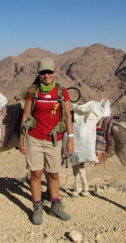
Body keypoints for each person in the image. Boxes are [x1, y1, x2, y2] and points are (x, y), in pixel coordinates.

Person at [19, 57, 74, 225]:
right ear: (39, 74)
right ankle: (37, 207)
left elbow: (67, 116)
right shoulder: (33, 92)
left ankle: (55, 206)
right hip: (35, 138)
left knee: (53, 174)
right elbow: (26, 115)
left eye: (49, 72)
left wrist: (70, 139)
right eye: (43, 72)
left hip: (54, 141)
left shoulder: (61, 91)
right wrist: (23, 139)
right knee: (35, 173)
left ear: (54, 72)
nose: (46, 75)